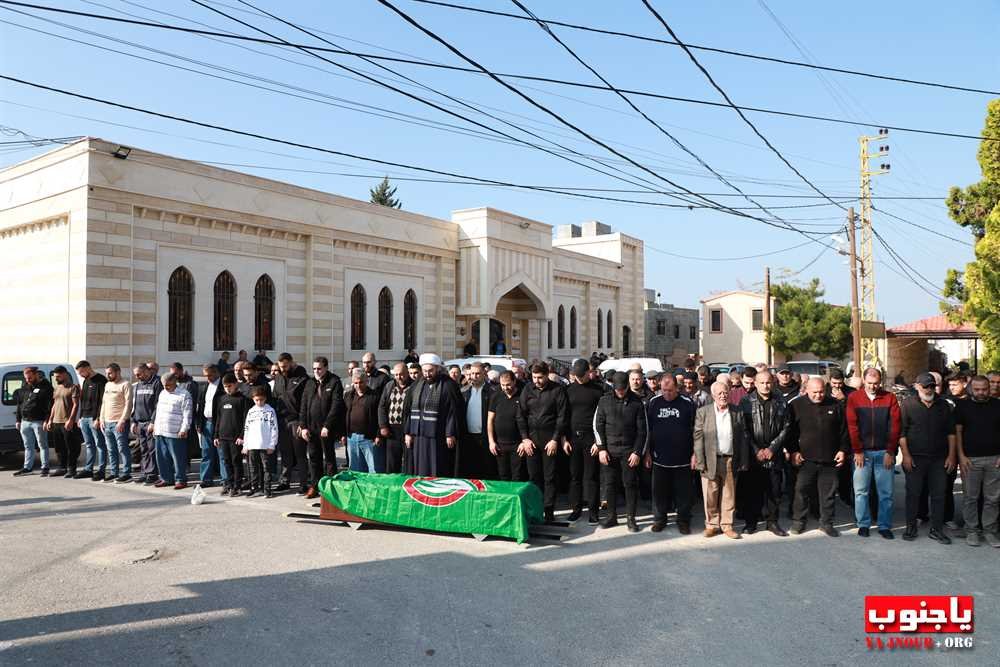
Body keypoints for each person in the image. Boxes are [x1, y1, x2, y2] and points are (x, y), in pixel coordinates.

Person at [786, 378, 849, 537]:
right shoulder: (796, 406)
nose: (818, 395)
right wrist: (793, 451)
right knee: (801, 491)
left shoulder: (835, 405)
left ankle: (826, 523)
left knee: (828, 494)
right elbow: (790, 433)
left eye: (821, 392)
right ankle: (799, 522)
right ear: (806, 390)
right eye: (814, 392)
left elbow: (844, 431)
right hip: (805, 460)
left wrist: (843, 450)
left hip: (830, 459)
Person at [899, 373, 957, 544]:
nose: (929, 389)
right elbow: (901, 434)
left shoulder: (944, 405)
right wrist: (906, 456)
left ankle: (936, 530)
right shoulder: (907, 405)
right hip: (915, 458)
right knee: (913, 494)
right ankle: (911, 527)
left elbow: (951, 433)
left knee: (939, 495)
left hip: (939, 459)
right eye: (925, 386)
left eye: (932, 386)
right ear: (917, 386)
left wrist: (951, 456)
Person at [846, 368, 900, 539]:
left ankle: (884, 526)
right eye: (869, 383)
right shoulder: (854, 398)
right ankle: (863, 524)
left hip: (884, 452)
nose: (873, 387)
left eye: (876, 383)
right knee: (861, 492)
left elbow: (895, 426)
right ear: (863, 380)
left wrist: (891, 451)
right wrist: (858, 451)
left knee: (886, 493)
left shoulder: (890, 397)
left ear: (880, 382)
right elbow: (852, 426)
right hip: (862, 453)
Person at [694, 381, 748, 539]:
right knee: (710, 494)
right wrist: (699, 460)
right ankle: (711, 524)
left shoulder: (737, 412)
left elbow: (744, 437)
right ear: (713, 395)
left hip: (730, 459)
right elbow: (698, 438)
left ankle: (727, 525)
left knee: (729, 495)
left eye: (725, 392)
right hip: (710, 459)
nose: (723, 396)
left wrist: (743, 459)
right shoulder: (703, 412)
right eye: (719, 393)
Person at [594, 372, 647, 532]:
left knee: (630, 485)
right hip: (609, 451)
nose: (621, 392)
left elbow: (643, 431)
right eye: (618, 389)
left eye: (623, 389)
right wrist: (601, 449)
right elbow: (598, 425)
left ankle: (631, 518)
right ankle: (611, 516)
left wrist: (637, 452)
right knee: (609, 484)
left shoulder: (637, 403)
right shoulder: (604, 401)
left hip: (629, 451)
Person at [740, 371, 790, 536]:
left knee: (774, 491)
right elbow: (744, 429)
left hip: (774, 454)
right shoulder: (746, 401)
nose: (765, 386)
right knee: (752, 490)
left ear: (773, 382)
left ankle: (772, 522)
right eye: (761, 383)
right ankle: (751, 522)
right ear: (755, 383)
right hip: (754, 455)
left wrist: (772, 449)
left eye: (768, 382)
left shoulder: (781, 401)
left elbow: (786, 427)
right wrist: (756, 450)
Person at [645, 374, 697, 534]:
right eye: (663, 390)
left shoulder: (688, 403)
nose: (666, 393)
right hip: (659, 458)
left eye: (670, 390)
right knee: (659, 492)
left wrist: (695, 453)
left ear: (677, 388)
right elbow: (648, 430)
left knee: (683, 493)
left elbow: (696, 430)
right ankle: (660, 519)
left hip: (683, 458)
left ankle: (683, 520)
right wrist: (646, 452)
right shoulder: (654, 402)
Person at [517, 362, 568, 523]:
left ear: (547, 375)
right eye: (534, 377)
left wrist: (555, 439)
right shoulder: (527, 389)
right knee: (533, 477)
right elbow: (521, 415)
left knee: (550, 477)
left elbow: (562, 416)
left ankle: (549, 510)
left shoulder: (557, 390)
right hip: (531, 439)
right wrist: (525, 438)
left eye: (540, 377)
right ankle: (535, 510)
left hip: (549, 439)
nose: (537, 381)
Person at [955, 375, 1000, 547]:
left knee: (992, 499)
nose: (981, 393)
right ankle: (972, 531)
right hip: (970, 460)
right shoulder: (962, 405)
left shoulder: (998, 405)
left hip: (994, 460)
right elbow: (958, 432)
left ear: (989, 388)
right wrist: (961, 456)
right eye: (977, 389)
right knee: (970, 498)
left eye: (984, 389)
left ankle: (990, 531)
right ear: (971, 389)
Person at [403, 354, 464, 476]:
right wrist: (408, 432)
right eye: (425, 371)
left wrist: (450, 433)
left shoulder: (448, 385)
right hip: (419, 436)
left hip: (439, 437)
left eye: (430, 371)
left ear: (437, 369)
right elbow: (408, 410)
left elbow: (453, 412)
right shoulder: (417, 385)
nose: (427, 374)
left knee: (438, 467)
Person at [564, 359, 604, 523]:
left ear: (589, 372)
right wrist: (563, 439)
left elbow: (602, 418)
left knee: (591, 476)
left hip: (591, 439)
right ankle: (576, 509)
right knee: (574, 477)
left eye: (582, 375)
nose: (579, 378)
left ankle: (593, 512)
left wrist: (598, 442)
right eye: (576, 376)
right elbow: (563, 416)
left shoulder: (598, 390)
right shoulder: (567, 390)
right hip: (573, 438)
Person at [299, 356, 345, 497]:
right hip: (311, 428)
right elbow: (304, 405)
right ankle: (315, 486)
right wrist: (303, 426)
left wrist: (327, 425)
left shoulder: (334, 381)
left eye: (319, 368)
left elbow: (336, 405)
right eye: (314, 369)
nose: (316, 371)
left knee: (329, 459)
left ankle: (331, 488)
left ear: (326, 367)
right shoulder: (310, 383)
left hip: (326, 429)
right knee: (314, 458)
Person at [272, 353, 309, 494]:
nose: (283, 369)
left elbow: (305, 402)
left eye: (285, 366)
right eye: (280, 367)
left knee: (300, 454)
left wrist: (302, 423)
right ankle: (284, 481)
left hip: (296, 421)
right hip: (282, 420)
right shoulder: (279, 377)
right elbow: (276, 397)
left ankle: (303, 483)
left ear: (292, 363)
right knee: (285, 454)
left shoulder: (302, 378)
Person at [153, 373, 192, 490]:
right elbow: (158, 411)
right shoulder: (162, 393)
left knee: (178, 458)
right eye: (164, 385)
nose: (166, 387)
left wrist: (184, 429)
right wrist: (155, 427)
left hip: (175, 432)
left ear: (175, 381)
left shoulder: (184, 394)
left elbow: (187, 414)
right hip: (161, 431)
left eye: (168, 385)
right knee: (161, 457)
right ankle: (166, 478)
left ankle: (181, 479)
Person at [214, 373, 251, 496]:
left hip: (236, 438)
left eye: (229, 386)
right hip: (223, 436)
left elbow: (246, 420)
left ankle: (237, 485)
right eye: (225, 386)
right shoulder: (222, 399)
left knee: (236, 462)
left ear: (235, 384)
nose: (227, 388)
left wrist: (242, 436)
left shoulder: (242, 400)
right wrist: (216, 435)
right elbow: (218, 418)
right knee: (226, 461)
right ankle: (229, 484)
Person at [488, 371, 528, 483]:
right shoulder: (496, 396)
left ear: (514, 381)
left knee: (517, 477)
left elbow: (528, 420)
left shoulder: (522, 396)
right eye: (503, 385)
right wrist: (491, 441)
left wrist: (524, 441)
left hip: (517, 445)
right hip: (500, 445)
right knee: (503, 476)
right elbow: (490, 420)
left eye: (508, 384)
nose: (505, 388)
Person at [13, 366, 53, 476]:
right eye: (26, 378)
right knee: (27, 446)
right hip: (25, 422)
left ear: (36, 375)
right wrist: (18, 420)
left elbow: (50, 405)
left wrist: (47, 420)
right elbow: (19, 404)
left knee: (42, 445)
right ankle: (27, 467)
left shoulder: (46, 387)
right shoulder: (25, 387)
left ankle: (45, 467)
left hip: (39, 421)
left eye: (30, 378)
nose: (28, 380)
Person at [97, 363, 133, 484]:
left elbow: (128, 404)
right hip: (106, 423)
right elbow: (104, 403)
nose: (108, 375)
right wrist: (101, 419)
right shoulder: (107, 384)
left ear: (118, 372)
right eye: (106, 373)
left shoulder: (125, 384)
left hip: (119, 422)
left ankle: (127, 473)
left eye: (110, 373)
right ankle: (114, 473)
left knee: (122, 448)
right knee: (111, 449)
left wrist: (123, 420)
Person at [460, 362, 495, 479]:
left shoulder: (492, 392)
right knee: (469, 470)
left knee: (486, 470)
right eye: (472, 374)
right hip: (468, 437)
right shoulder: (464, 392)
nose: (474, 376)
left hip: (485, 437)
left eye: (477, 374)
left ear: (484, 374)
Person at [343, 369, 383, 472]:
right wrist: (343, 434)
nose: (358, 385)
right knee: (355, 470)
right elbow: (342, 415)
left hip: (369, 438)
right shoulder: (348, 396)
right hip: (351, 437)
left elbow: (380, 416)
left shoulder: (374, 396)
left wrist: (378, 435)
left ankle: (374, 488)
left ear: (366, 382)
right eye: (356, 383)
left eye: (361, 382)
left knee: (373, 468)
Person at [46, 366, 82, 478]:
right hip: (56, 422)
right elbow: (54, 405)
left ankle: (72, 469)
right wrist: (50, 420)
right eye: (55, 376)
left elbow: (76, 405)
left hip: (67, 422)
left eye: (58, 376)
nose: (56, 379)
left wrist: (71, 420)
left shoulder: (73, 387)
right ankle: (62, 467)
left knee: (71, 447)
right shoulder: (57, 388)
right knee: (59, 447)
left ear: (65, 374)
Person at [74, 361, 107, 480]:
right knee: (89, 445)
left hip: (94, 419)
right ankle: (88, 469)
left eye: (82, 372)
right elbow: (83, 401)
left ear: (88, 368)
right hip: (84, 418)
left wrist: (98, 418)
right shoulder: (85, 381)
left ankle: (101, 470)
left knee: (100, 444)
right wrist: (80, 417)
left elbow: (102, 401)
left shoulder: (101, 380)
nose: (81, 375)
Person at [243, 385, 278, 497]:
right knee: (253, 468)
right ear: (253, 399)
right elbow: (246, 429)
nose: (259, 402)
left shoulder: (270, 410)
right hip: (252, 445)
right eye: (256, 400)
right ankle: (254, 487)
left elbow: (274, 428)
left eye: (261, 399)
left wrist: (272, 445)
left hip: (265, 445)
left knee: (266, 468)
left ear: (265, 398)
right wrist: (245, 445)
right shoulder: (251, 411)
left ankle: (267, 489)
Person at [195, 364, 226, 488]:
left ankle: (225, 479)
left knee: (222, 453)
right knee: (206, 453)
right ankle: (206, 479)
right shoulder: (205, 386)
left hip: (220, 423)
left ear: (216, 373)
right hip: (206, 423)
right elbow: (200, 405)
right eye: (205, 376)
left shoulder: (223, 386)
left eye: (209, 375)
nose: (207, 378)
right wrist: (199, 423)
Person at [379, 363, 413, 474]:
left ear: (407, 373)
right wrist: (383, 426)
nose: (399, 377)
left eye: (401, 374)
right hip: (392, 430)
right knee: (392, 463)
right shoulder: (389, 386)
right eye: (396, 375)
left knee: (409, 463)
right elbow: (382, 406)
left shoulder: (414, 386)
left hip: (408, 430)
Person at [131, 363, 162, 484]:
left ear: (146, 371)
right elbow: (135, 405)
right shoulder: (138, 385)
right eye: (136, 375)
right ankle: (145, 472)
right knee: (143, 449)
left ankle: (153, 473)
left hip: (150, 422)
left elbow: (157, 404)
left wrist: (153, 422)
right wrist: (133, 421)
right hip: (139, 422)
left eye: (139, 374)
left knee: (151, 449)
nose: (137, 377)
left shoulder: (156, 383)